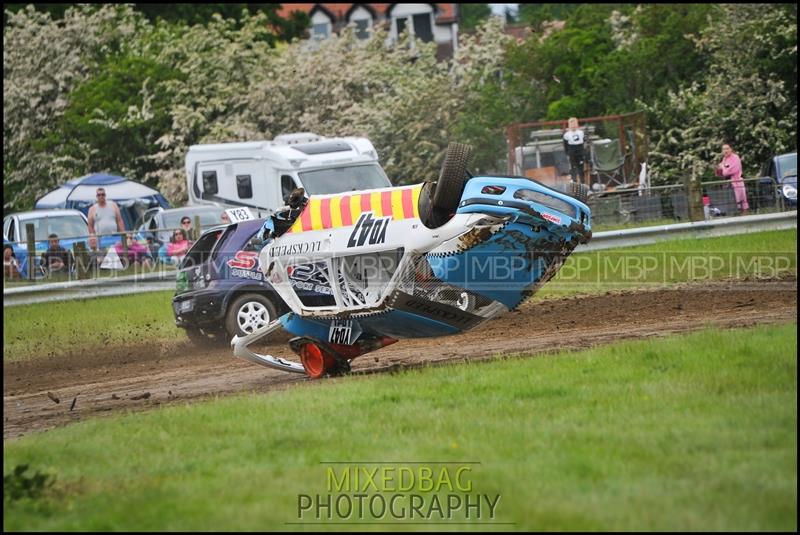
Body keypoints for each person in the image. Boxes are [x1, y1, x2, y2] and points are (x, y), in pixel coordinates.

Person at [716, 143, 749, 215]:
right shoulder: (724, 159)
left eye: (727, 148)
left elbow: (733, 170)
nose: (725, 151)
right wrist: (718, 170)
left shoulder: (735, 157)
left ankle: (744, 214)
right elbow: (720, 172)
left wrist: (723, 168)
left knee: (741, 199)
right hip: (728, 183)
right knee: (731, 200)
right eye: (724, 149)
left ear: (731, 149)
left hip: (736, 181)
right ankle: (734, 213)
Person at [562, 117, 586, 183]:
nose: (573, 126)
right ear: (569, 126)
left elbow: (584, 142)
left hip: (580, 151)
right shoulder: (566, 135)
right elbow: (565, 145)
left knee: (581, 168)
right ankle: (574, 181)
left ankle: (582, 182)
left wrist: (583, 152)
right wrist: (567, 154)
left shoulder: (581, 133)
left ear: (577, 125)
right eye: (571, 125)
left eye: (575, 124)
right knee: (573, 167)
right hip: (572, 152)